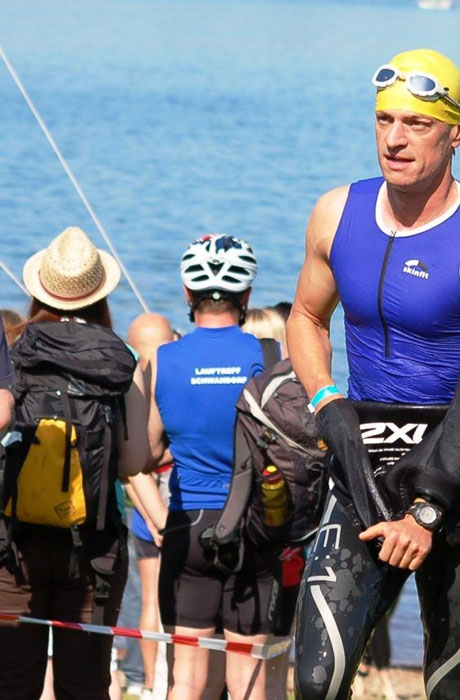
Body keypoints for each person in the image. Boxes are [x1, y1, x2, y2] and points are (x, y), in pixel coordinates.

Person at [287, 48, 460, 700]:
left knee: (452, 692)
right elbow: (306, 318)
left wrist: (426, 513)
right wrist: (326, 400)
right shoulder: (336, 213)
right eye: (385, 120)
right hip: (364, 464)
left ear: (455, 133)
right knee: (315, 682)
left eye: (417, 124)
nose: (394, 140)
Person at [0, 226, 149, 700]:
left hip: (14, 544)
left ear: (39, 290)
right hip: (94, 544)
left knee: (12, 681)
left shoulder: (13, 350)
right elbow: (134, 461)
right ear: (100, 294)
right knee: (83, 684)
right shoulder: (120, 358)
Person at [145, 234, 275, 700]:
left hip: (189, 524)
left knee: (186, 679)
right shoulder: (271, 357)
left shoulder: (162, 359)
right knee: (247, 680)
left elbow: (142, 454)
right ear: (246, 295)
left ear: (187, 292)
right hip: (254, 523)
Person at [126, 312, 176, 700]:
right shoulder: (171, 380)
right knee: (176, 604)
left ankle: (147, 683)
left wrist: (147, 514)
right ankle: (172, 678)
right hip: (173, 504)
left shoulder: (130, 385)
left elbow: (130, 465)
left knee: (149, 600)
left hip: (143, 506)